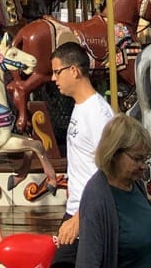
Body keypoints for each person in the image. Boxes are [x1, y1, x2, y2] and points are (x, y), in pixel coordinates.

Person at [75, 115, 151, 268]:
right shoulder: (97, 196)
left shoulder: (136, 184)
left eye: (145, 159)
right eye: (137, 159)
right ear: (114, 153)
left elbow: (140, 245)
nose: (143, 166)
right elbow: (87, 262)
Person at [49, 42, 115, 266]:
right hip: (77, 210)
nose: (53, 78)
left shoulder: (98, 114)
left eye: (57, 72)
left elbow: (111, 169)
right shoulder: (81, 107)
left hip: (90, 215)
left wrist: (80, 219)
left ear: (74, 70)